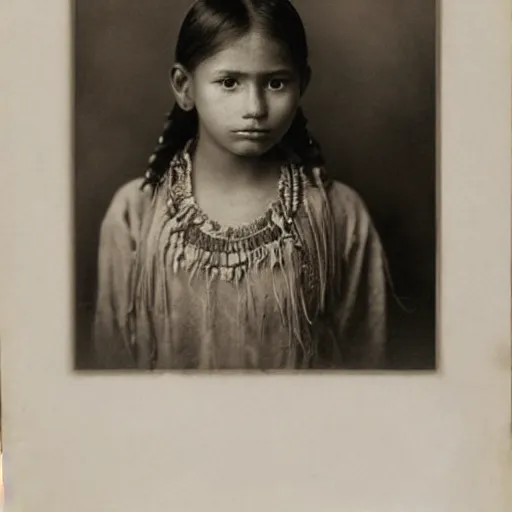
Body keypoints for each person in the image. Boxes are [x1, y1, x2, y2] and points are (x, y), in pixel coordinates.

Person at [93, 0, 388, 371]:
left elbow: (365, 368)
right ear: (185, 87)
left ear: (303, 84)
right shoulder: (134, 215)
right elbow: (112, 368)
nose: (255, 107)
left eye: (276, 83)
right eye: (229, 82)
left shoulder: (340, 213)